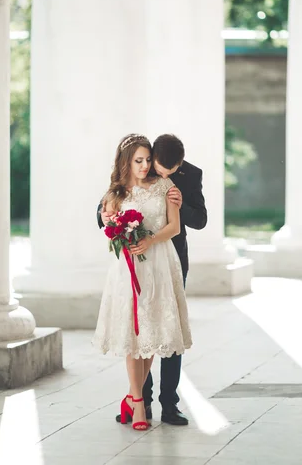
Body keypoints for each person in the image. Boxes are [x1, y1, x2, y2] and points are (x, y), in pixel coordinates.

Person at [98, 133, 207, 425]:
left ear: (178, 165)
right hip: (132, 266)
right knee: (138, 330)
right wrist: (110, 221)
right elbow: (107, 207)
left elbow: (195, 221)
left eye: (156, 166)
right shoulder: (129, 176)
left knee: (163, 327)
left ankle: (168, 404)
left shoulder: (181, 179)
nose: (150, 169)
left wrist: (180, 203)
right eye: (145, 162)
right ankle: (138, 401)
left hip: (167, 261)